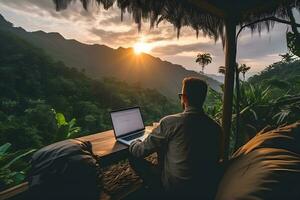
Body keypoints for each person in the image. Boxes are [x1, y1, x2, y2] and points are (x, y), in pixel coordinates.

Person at [129, 77, 222, 199]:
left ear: (184, 98)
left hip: (176, 190)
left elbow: (140, 151)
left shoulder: (171, 122)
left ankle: (154, 192)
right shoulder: (215, 127)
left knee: (133, 155)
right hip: (203, 189)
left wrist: (134, 142)